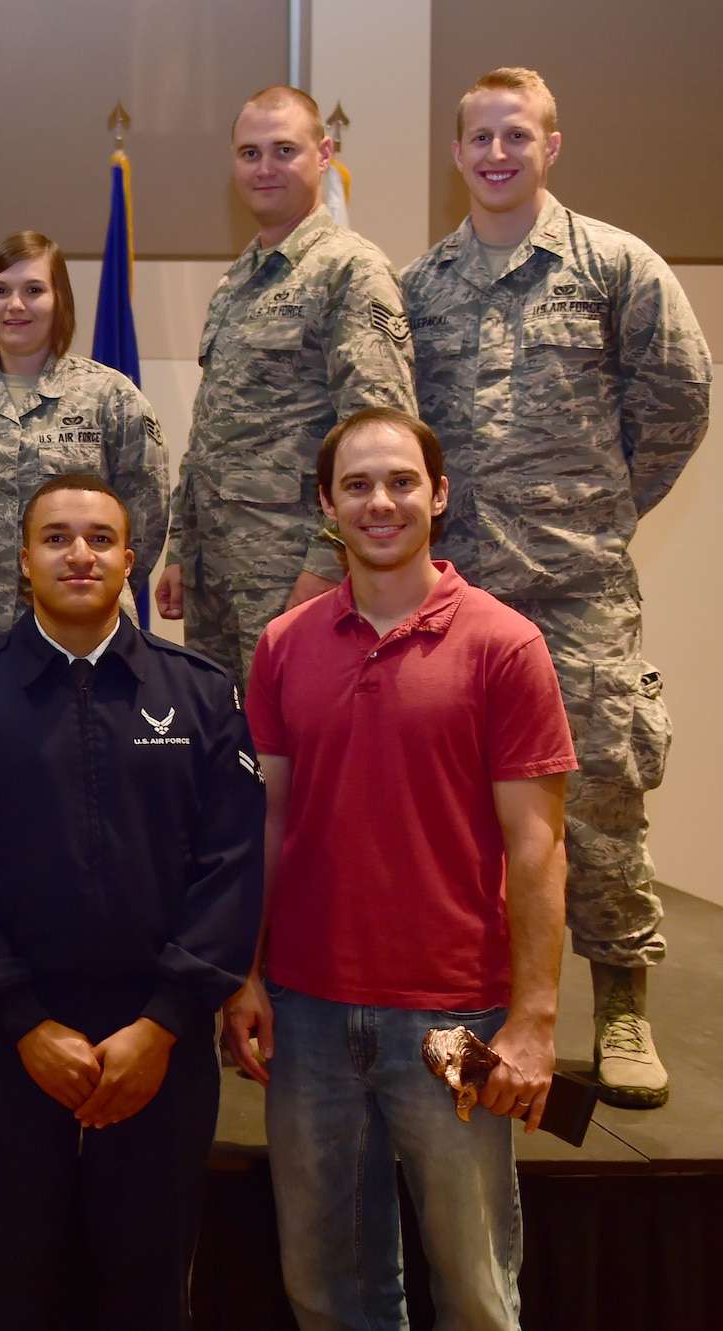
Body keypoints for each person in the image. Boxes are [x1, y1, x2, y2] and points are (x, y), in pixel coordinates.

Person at [401, 67, 711, 1109]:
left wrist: (602, 503)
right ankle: (459, 1002)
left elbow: (678, 395)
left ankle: (619, 1004)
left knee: (601, 803)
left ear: (550, 144)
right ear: (454, 151)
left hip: (575, 594)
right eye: (478, 136)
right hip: (454, 599)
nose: (495, 152)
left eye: (515, 134)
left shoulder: (612, 265)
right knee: (451, 813)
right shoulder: (417, 287)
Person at [225, 407, 574, 1329]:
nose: (380, 501)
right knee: (329, 1293)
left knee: (475, 1296)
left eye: (401, 481)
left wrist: (534, 1022)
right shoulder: (282, 645)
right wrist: (247, 971)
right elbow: (266, 818)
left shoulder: (506, 646)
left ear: (440, 494)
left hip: (453, 1015)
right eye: (356, 485)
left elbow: (538, 848)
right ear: (328, 507)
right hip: (305, 1015)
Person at [0, 474, 264, 1330]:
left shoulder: (202, 693)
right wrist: (23, 1021)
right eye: (56, 537)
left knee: (148, 1292)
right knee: (5, 1287)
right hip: (8, 1040)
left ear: (131, 560)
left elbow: (234, 863)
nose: (80, 553)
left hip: (159, 1043)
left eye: (101, 538)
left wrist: (165, 1021)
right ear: (23, 560)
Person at [157, 86, 416, 682]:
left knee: (301, 757)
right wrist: (183, 552)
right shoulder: (239, 281)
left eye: (284, 150)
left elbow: (381, 437)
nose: (265, 168)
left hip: (295, 572)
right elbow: (213, 433)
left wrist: (329, 563)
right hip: (218, 577)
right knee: (231, 755)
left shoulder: (350, 271)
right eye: (249, 153)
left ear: (323, 154)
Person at [0, 231, 168, 658]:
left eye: (33, 290)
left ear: (59, 300)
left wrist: (89, 587)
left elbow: (146, 515)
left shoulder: (110, 397)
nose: (15, 305)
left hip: (84, 634)